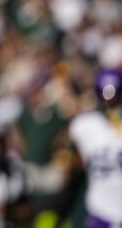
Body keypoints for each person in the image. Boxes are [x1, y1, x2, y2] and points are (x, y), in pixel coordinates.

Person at [53, 68, 122, 228]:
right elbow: (60, 146)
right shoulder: (86, 125)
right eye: (106, 96)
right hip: (101, 212)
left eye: (116, 96)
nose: (110, 102)